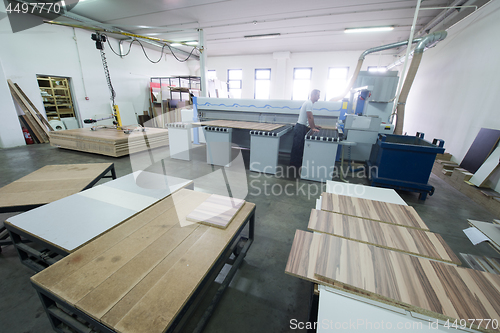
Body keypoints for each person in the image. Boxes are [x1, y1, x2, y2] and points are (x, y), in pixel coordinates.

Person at [289, 89, 321, 171]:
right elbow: (310, 116)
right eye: (318, 95)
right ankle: (293, 165)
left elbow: (310, 118)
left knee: (300, 146)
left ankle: (297, 163)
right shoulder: (309, 103)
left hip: (302, 127)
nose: (319, 97)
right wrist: (313, 128)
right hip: (300, 127)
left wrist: (314, 126)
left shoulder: (309, 103)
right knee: (297, 146)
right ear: (313, 95)